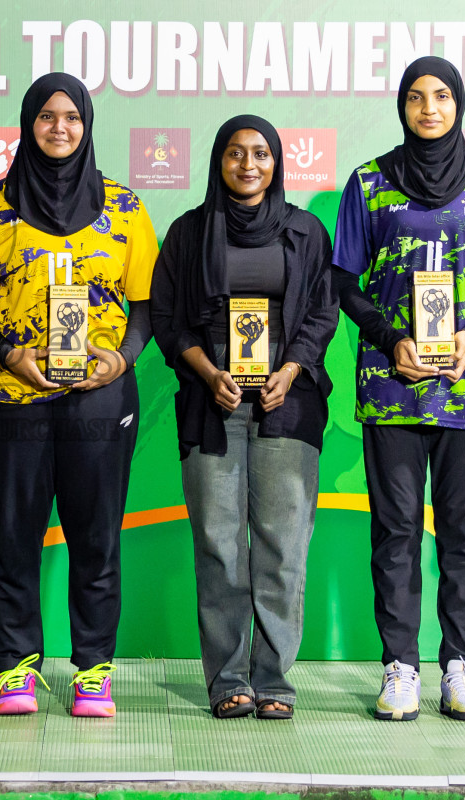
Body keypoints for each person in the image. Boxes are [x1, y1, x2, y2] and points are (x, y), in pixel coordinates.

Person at [0, 72, 156, 718]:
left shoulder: (124, 208)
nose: (59, 127)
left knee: (96, 539)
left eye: (71, 116)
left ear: (86, 125)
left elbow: (147, 305)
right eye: (46, 116)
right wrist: (10, 353)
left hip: (100, 397)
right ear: (28, 124)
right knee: (14, 535)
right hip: (13, 397)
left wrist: (119, 359)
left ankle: (93, 669)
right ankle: (15, 668)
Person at [331, 56, 465, 721]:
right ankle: (399, 668)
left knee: (462, 534)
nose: (429, 108)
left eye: (442, 96)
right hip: (390, 385)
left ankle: (460, 667)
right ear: (401, 105)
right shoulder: (369, 183)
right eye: (416, 97)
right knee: (394, 531)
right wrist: (394, 340)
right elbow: (346, 284)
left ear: (459, 103)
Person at [151, 116, 337, 721]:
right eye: (235, 153)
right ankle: (227, 678)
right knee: (220, 548)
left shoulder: (306, 232)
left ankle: (275, 681)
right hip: (214, 406)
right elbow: (167, 319)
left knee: (282, 548)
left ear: (277, 161)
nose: (249, 164)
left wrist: (291, 370)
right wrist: (209, 375)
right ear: (218, 161)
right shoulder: (188, 232)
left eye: (260, 153)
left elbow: (322, 315)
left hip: (289, 405)